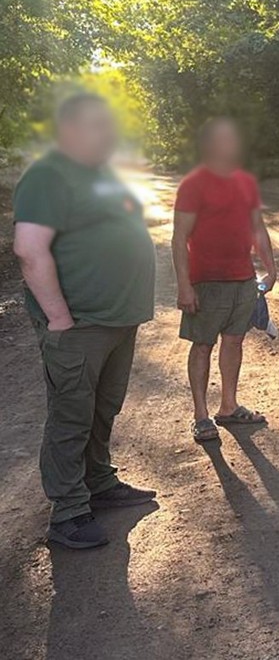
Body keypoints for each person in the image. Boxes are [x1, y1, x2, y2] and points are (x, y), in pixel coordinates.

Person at [13, 93, 157, 550]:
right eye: (98, 124)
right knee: (71, 416)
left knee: (102, 409)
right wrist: (58, 318)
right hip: (80, 324)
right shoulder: (49, 175)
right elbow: (29, 250)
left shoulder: (101, 174)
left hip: (117, 320)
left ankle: (98, 483)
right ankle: (68, 512)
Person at [172, 117, 276, 443]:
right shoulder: (193, 184)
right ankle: (201, 416)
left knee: (234, 342)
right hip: (206, 282)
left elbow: (257, 227)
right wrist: (184, 285)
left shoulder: (246, 182)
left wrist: (270, 267)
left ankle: (228, 406)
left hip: (243, 280)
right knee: (203, 345)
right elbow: (179, 238)